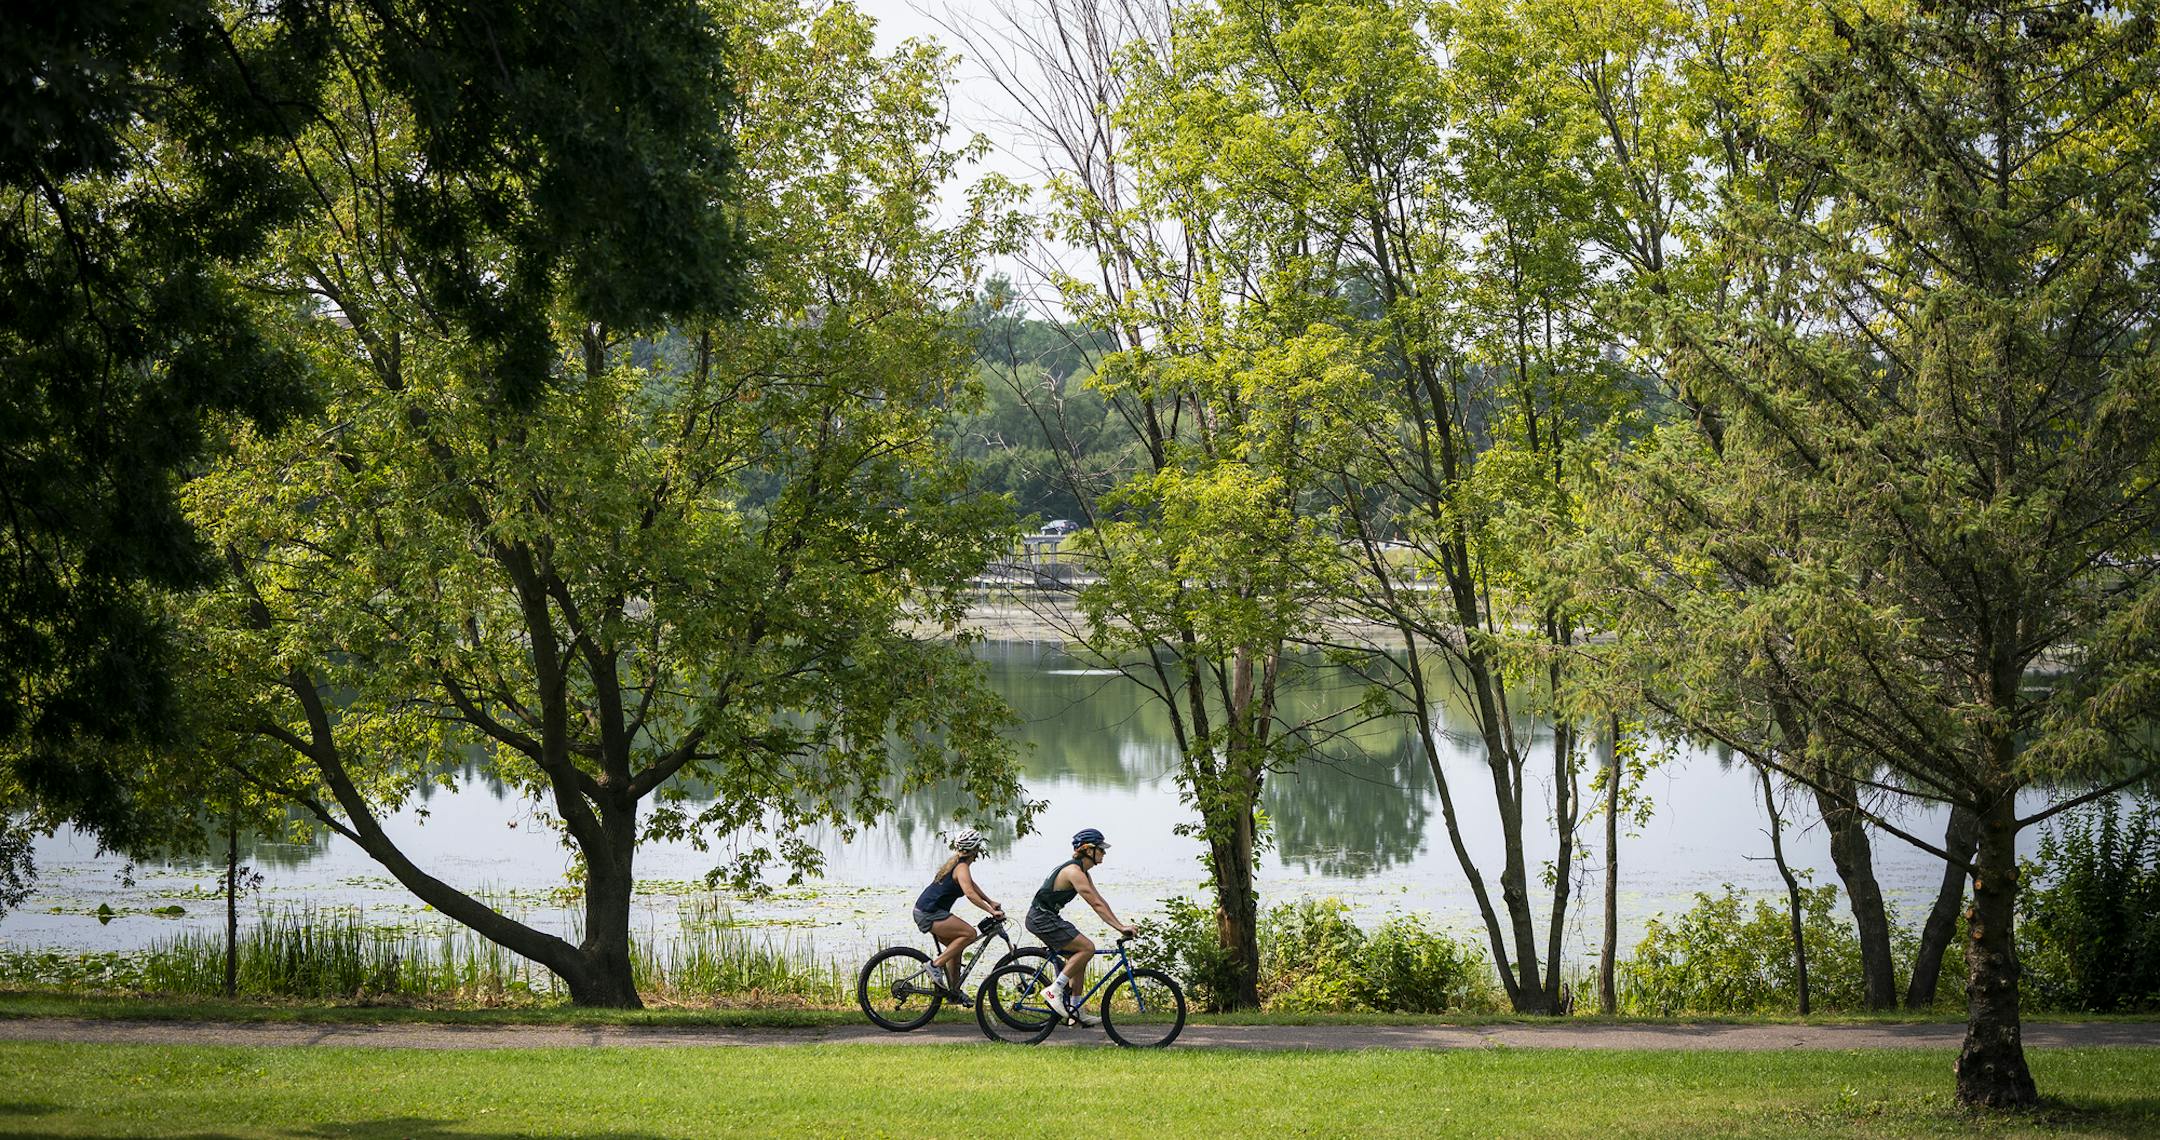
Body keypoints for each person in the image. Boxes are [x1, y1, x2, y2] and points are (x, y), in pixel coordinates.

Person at [1025, 827, 1135, 1026]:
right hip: (1041, 918)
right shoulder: (1074, 872)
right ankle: (1054, 990)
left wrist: (1119, 924)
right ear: (1087, 850)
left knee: (1078, 958)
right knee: (1087, 948)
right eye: (1101, 849)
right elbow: (1095, 904)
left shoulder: (1082, 871)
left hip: (1047, 917)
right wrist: (1120, 927)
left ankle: (1075, 1010)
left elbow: (1099, 900)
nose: (1104, 853)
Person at [914, 829, 1003, 1007]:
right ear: (975, 849)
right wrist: (991, 912)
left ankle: (953, 992)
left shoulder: (958, 865)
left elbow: (971, 885)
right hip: (930, 913)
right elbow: (969, 894)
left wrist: (989, 901)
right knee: (969, 934)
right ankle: (935, 965)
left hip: (926, 910)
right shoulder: (961, 867)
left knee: (956, 947)